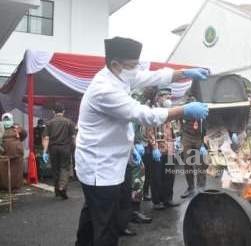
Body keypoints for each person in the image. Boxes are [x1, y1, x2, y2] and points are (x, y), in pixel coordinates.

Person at [74, 36, 209, 246]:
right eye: (133, 65)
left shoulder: (120, 76)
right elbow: (144, 114)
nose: (136, 69)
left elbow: (153, 77)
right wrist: (184, 110)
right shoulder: (105, 89)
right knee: (106, 226)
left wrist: (184, 73)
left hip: (110, 160)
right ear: (116, 64)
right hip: (100, 167)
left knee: (92, 218)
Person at [146, 87, 180, 209]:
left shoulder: (171, 112)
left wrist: (176, 141)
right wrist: (154, 147)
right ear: (159, 98)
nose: (168, 100)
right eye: (166, 97)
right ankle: (157, 201)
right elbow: (149, 131)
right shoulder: (153, 112)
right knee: (157, 177)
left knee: (169, 176)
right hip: (158, 150)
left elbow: (175, 128)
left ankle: (167, 199)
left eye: (170, 98)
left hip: (170, 148)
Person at [42, 103, 76, 199]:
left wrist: (45, 151)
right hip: (65, 148)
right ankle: (62, 187)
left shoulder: (49, 123)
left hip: (53, 149)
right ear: (63, 111)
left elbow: (46, 138)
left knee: (55, 169)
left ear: (53, 112)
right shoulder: (69, 122)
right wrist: (76, 148)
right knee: (64, 168)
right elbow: (73, 137)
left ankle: (57, 191)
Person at [180, 95, 208, 199]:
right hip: (187, 136)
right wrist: (180, 136)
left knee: (201, 164)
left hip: (199, 137)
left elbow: (207, 126)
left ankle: (201, 188)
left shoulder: (203, 111)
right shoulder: (184, 111)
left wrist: (204, 143)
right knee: (187, 163)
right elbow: (180, 123)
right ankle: (190, 187)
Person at [0, 113, 27, 190]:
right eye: (5, 120)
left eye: (7, 120)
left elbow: (24, 134)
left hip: (6, 151)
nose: (6, 121)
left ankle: (7, 186)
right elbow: (24, 135)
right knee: (12, 169)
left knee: (8, 169)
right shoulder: (16, 126)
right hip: (13, 150)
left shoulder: (16, 127)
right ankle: (13, 186)